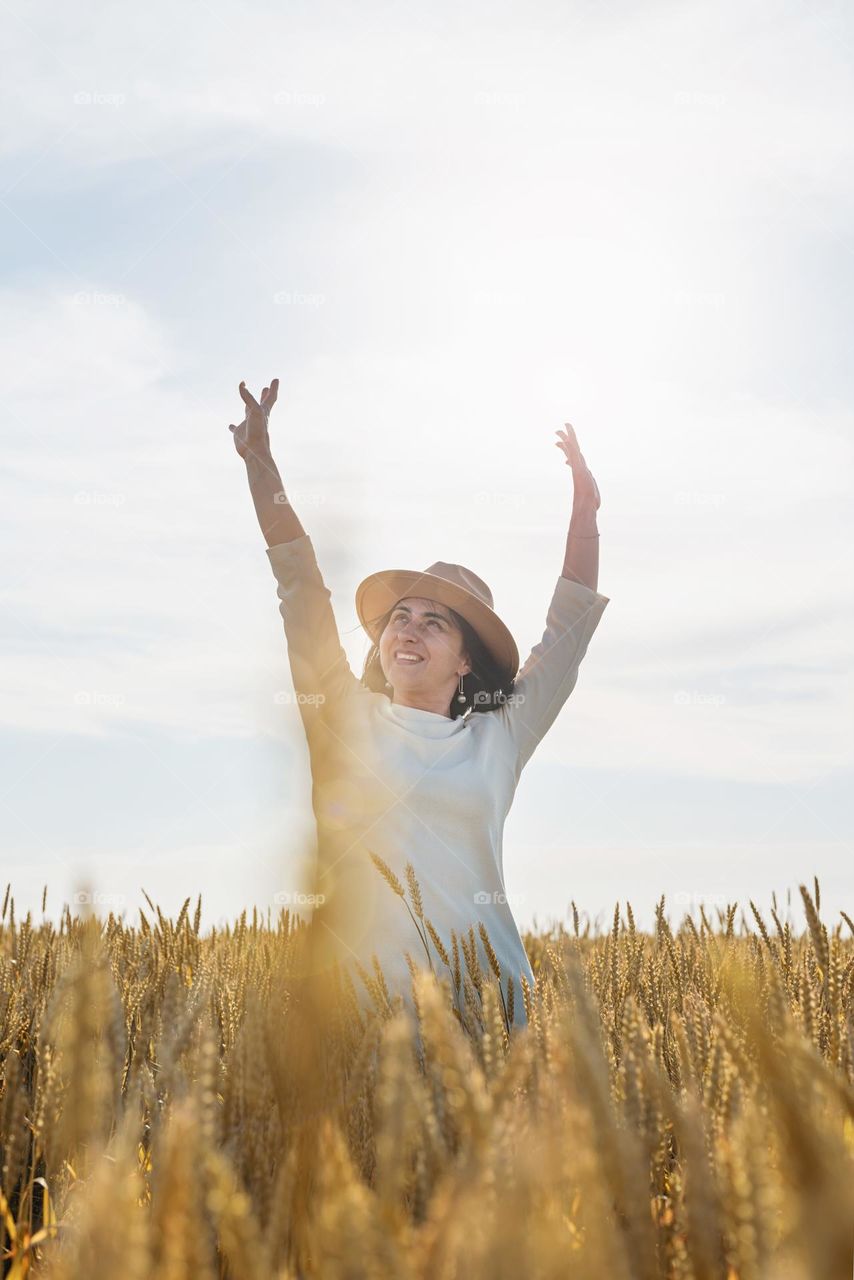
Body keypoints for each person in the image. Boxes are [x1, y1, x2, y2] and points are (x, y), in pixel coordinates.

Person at [230, 378, 609, 1032]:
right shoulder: (340, 720)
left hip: (494, 1016)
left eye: (435, 623)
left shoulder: (501, 737)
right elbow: (300, 585)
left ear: (467, 661)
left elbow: (567, 630)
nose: (407, 629)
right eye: (399, 618)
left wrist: (585, 514)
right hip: (362, 1021)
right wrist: (260, 464)